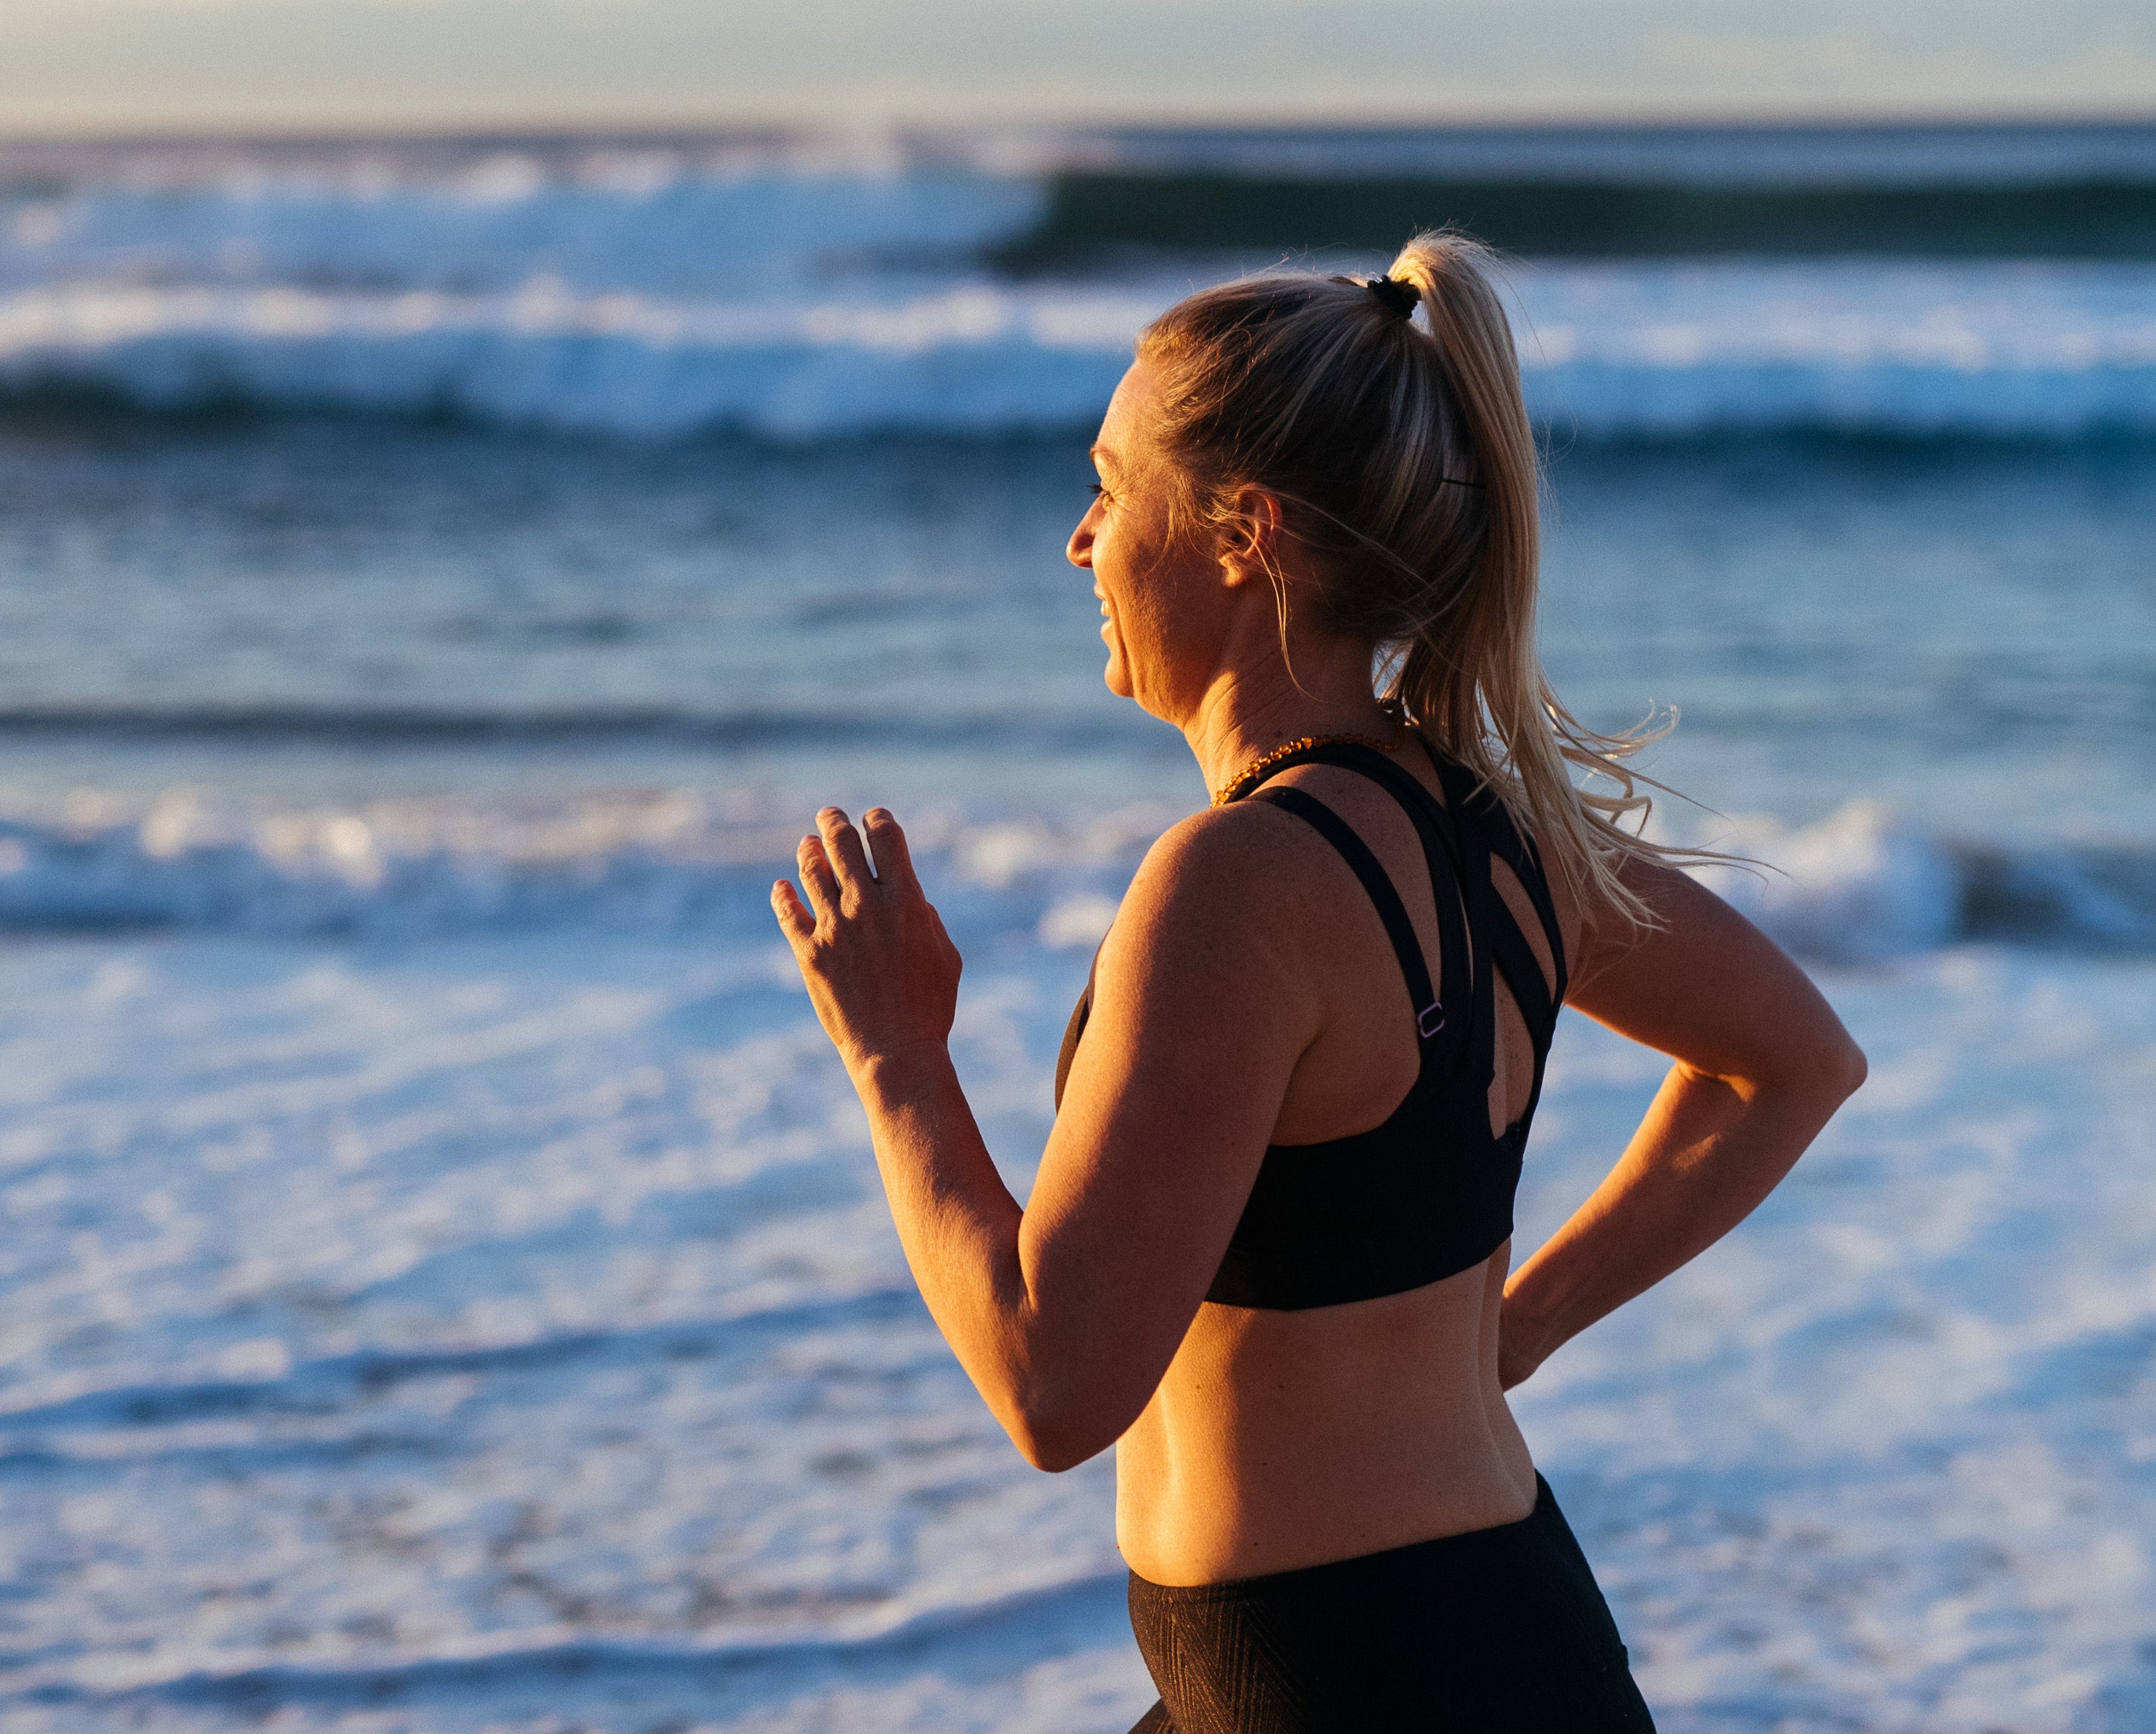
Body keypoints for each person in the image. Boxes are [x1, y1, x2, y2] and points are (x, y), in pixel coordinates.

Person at [769, 231, 1865, 1733]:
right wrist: (1517, 1328)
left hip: (1360, 1678)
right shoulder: (1500, 828)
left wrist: (896, 1054)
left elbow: (1052, 1383)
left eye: (1111, 489)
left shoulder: (1238, 887)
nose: (1080, 543)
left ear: (1244, 534)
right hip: (1463, 1634)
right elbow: (1793, 1061)